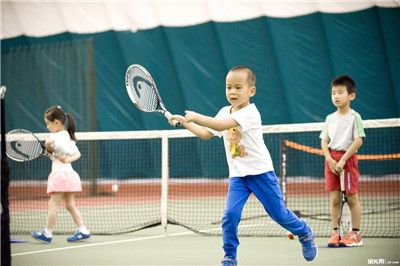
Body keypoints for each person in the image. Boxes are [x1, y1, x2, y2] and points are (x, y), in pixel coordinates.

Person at [169, 66, 318, 265]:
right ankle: (230, 256)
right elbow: (206, 134)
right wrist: (184, 122)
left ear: (251, 91)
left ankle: (304, 232)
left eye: (238, 88)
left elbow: (220, 125)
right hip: (238, 177)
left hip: (261, 174)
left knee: (279, 215)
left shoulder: (250, 113)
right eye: (229, 87)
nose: (232, 92)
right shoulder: (223, 111)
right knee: (230, 216)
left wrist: (194, 116)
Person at [31, 106, 90, 243]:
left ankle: (47, 233)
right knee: (70, 205)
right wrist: (53, 153)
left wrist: (48, 145)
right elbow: (76, 153)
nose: (47, 127)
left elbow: (58, 148)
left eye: (48, 123)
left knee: (53, 204)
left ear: (56, 122)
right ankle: (83, 230)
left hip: (60, 175)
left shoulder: (55, 137)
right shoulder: (67, 136)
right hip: (69, 174)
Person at [320, 75, 365, 247]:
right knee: (334, 199)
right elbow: (324, 140)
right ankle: (335, 233)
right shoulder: (329, 118)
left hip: (348, 160)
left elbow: (358, 140)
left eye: (340, 92)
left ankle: (355, 234)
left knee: (352, 198)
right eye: (333, 93)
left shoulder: (355, 117)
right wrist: (330, 159)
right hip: (331, 160)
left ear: (351, 96)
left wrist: (343, 160)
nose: (336, 96)